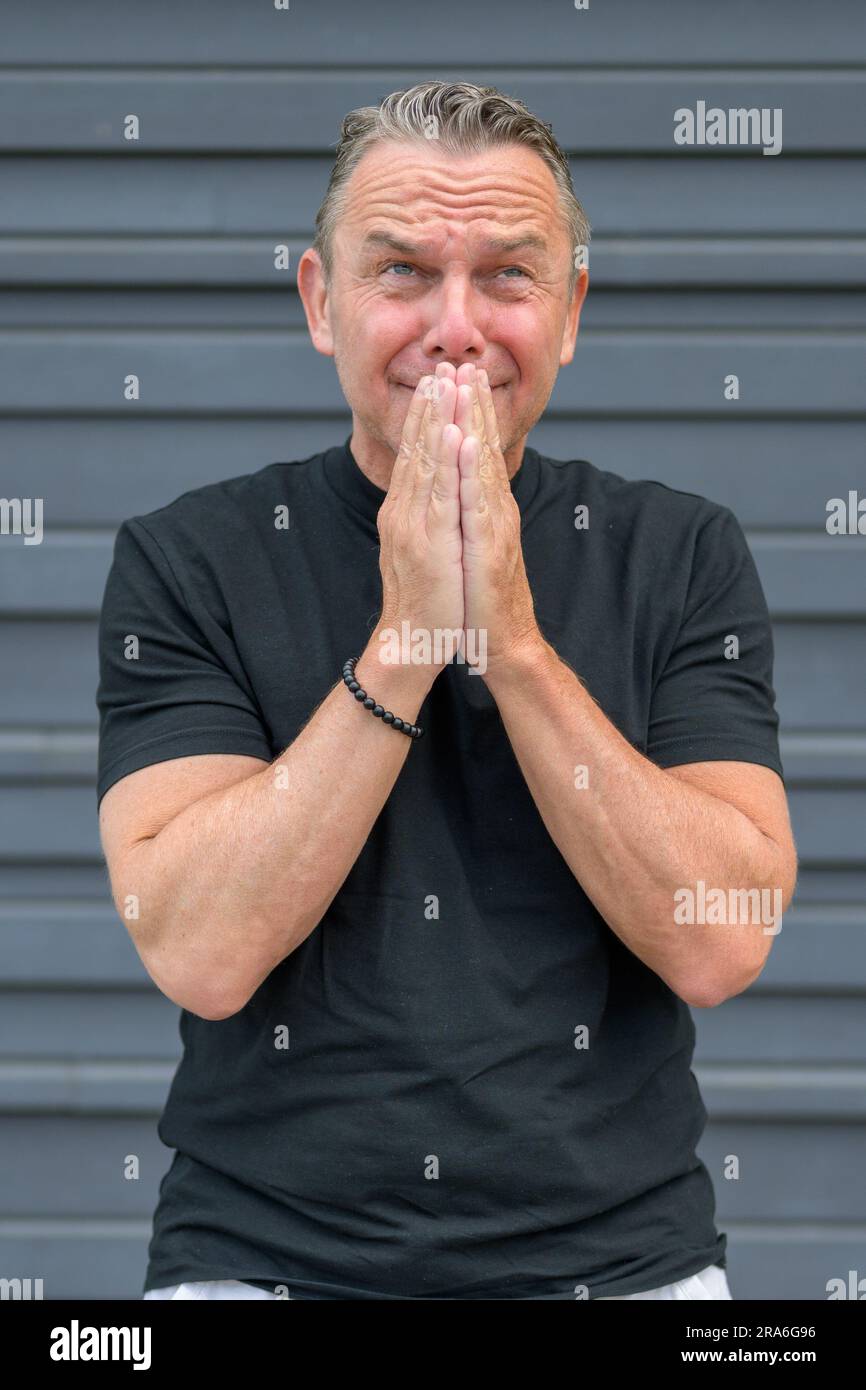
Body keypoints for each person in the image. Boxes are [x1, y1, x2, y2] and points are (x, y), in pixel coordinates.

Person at [96, 81, 797, 1301]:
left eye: (507, 278)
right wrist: (406, 640)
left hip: (621, 1269)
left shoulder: (679, 553)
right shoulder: (189, 558)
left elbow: (723, 936)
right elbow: (198, 949)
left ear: (569, 311)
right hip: (264, 1267)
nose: (456, 327)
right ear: (323, 302)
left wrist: (513, 646)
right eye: (403, 272)